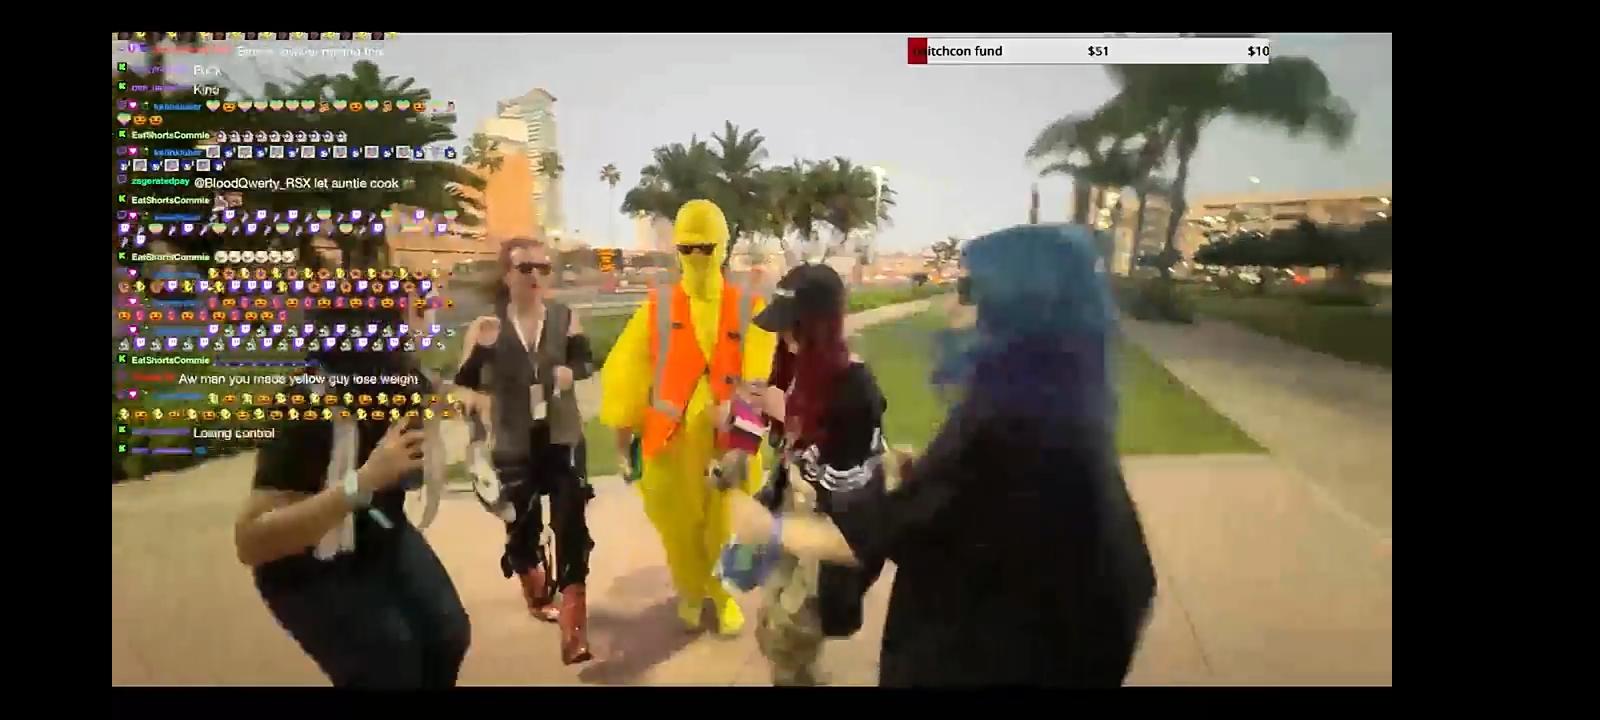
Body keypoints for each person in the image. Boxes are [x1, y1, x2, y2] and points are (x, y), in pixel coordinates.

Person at [727, 224, 1158, 687]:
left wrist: (769, 528)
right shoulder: (1061, 411)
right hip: (1013, 643)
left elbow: (874, 529)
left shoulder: (1007, 426)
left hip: (978, 659)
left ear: (1019, 309)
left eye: (967, 290)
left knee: (791, 635)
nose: (951, 304)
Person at [234, 302, 470, 688]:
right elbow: (251, 541)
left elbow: (441, 392)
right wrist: (362, 482)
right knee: (389, 664)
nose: (432, 315)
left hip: (378, 532)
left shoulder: (402, 381)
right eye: (418, 308)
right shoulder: (307, 403)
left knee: (447, 635)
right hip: (305, 564)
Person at [598, 200, 778, 635]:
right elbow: (626, 372)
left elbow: (762, 375)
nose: (697, 257)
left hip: (729, 443)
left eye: (705, 247)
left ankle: (724, 597)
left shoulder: (749, 308)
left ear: (722, 246)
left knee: (726, 526)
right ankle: (691, 593)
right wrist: (622, 442)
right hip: (669, 441)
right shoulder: (657, 307)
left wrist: (736, 413)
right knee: (678, 530)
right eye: (688, 248)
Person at [741, 262, 891, 686]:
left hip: (828, 530)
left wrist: (787, 414)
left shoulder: (855, 389)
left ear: (819, 327)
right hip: (795, 515)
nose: (784, 339)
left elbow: (849, 487)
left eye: (792, 328)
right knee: (775, 620)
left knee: (791, 630)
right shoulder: (801, 370)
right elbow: (790, 448)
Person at [454, 236, 596, 665]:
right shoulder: (487, 328)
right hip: (513, 441)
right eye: (525, 268)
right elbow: (463, 385)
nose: (536, 276)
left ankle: (574, 628)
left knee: (571, 524)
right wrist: (475, 404)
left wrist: (571, 372)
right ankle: (535, 591)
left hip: (562, 435)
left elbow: (586, 362)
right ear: (507, 275)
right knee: (522, 527)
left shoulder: (566, 318)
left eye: (543, 268)